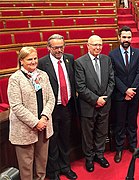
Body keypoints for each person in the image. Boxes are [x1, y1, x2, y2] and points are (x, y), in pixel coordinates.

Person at [7, 46, 55, 180]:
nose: (33, 62)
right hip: (25, 129)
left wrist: (44, 117)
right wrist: (35, 122)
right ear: (21, 61)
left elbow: (51, 98)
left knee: (42, 164)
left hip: (44, 127)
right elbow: (16, 106)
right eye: (29, 59)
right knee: (26, 168)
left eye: (35, 58)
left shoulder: (43, 75)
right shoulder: (15, 79)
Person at [38, 34, 78, 180]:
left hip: (67, 106)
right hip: (51, 109)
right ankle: (54, 172)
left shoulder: (70, 59)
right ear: (49, 48)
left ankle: (65, 167)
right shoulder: (42, 63)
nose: (59, 50)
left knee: (65, 139)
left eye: (61, 47)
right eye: (56, 48)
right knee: (52, 141)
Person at [75, 35, 115, 172]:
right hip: (88, 105)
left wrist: (104, 98)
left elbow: (111, 81)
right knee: (88, 134)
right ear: (88, 45)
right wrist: (95, 99)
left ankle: (99, 154)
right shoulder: (80, 62)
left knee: (102, 132)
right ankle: (89, 158)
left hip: (104, 104)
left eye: (100, 44)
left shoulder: (107, 59)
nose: (98, 47)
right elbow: (80, 87)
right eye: (94, 45)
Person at [109, 26, 139, 163]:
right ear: (119, 38)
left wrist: (132, 90)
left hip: (134, 94)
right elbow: (114, 75)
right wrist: (125, 90)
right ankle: (119, 149)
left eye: (129, 37)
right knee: (120, 123)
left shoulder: (137, 53)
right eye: (124, 37)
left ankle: (133, 146)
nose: (126, 40)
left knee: (133, 122)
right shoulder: (112, 55)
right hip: (119, 95)